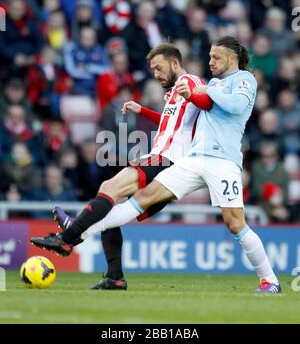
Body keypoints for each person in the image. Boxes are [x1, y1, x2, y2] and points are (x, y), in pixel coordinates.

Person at [32, 36, 282, 294]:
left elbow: (234, 105)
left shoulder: (244, 80)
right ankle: (73, 236)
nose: (210, 62)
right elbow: (193, 111)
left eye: (216, 57)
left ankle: (269, 280)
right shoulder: (214, 84)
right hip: (194, 159)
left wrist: (204, 91)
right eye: (209, 56)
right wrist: (163, 105)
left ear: (232, 58)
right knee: (143, 196)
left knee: (234, 223)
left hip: (223, 161)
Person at [31, 42, 213, 289]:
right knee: (112, 210)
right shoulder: (174, 93)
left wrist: (204, 94)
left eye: (159, 68)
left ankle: (67, 237)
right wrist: (143, 110)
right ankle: (114, 277)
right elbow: (172, 122)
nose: (156, 74)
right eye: (153, 70)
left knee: (109, 186)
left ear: (174, 63)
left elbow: (206, 102)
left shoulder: (189, 81)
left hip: (167, 158)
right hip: (168, 162)